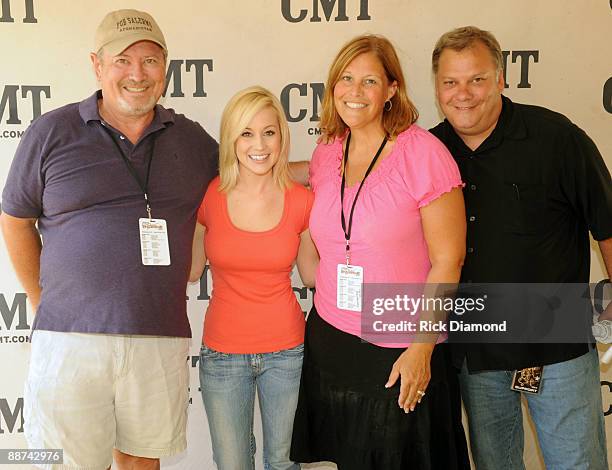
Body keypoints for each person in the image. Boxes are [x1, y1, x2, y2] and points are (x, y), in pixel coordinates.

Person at [0, 9, 218, 470]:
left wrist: (336, 166)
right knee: (65, 464)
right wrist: (45, 302)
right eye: (122, 60)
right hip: (68, 340)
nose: (137, 73)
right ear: (97, 66)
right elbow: (15, 219)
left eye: (151, 60)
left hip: (157, 337)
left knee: (141, 462)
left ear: (166, 69)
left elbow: (256, 176)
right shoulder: (50, 133)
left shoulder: (194, 142)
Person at [429, 26, 612, 469]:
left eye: (477, 80)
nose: (464, 94)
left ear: (502, 79)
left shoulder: (557, 139)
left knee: (578, 464)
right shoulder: (429, 150)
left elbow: (607, 226)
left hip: (558, 348)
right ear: (437, 87)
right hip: (478, 353)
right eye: (451, 82)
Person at [289, 34, 469, 469]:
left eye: (369, 81)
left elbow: (449, 259)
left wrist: (422, 348)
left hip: (400, 349)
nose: (355, 91)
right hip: (332, 340)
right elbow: (289, 179)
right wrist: (250, 162)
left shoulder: (424, 154)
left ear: (392, 89)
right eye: (346, 79)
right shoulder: (327, 150)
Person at [189, 86, 317, 470]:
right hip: (223, 355)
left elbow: (312, 274)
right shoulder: (209, 196)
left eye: (269, 132)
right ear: (231, 139)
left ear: (282, 136)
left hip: (288, 354)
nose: (258, 144)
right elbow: (192, 269)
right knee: (233, 464)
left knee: (283, 462)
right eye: (246, 133)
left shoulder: (301, 200)